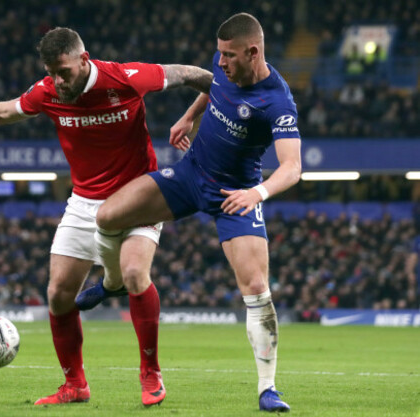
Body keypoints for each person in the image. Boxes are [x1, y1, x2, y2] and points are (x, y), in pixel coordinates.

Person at [0, 27, 211, 406]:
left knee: (134, 274)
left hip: (137, 196)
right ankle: (75, 385)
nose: (57, 80)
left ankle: (150, 372)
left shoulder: (126, 77)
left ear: (84, 60)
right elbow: (1, 110)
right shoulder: (47, 91)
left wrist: (195, 115)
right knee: (59, 294)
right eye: (51, 71)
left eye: (63, 71)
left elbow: (197, 75)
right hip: (83, 202)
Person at [89, 13, 300, 412]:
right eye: (218, 54)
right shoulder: (225, 69)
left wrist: (256, 193)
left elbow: (293, 167)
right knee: (107, 216)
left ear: (253, 52)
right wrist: (189, 115)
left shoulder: (277, 100)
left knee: (256, 288)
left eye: (229, 56)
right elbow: (213, 87)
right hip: (189, 175)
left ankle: (267, 389)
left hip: (234, 194)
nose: (219, 63)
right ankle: (113, 280)